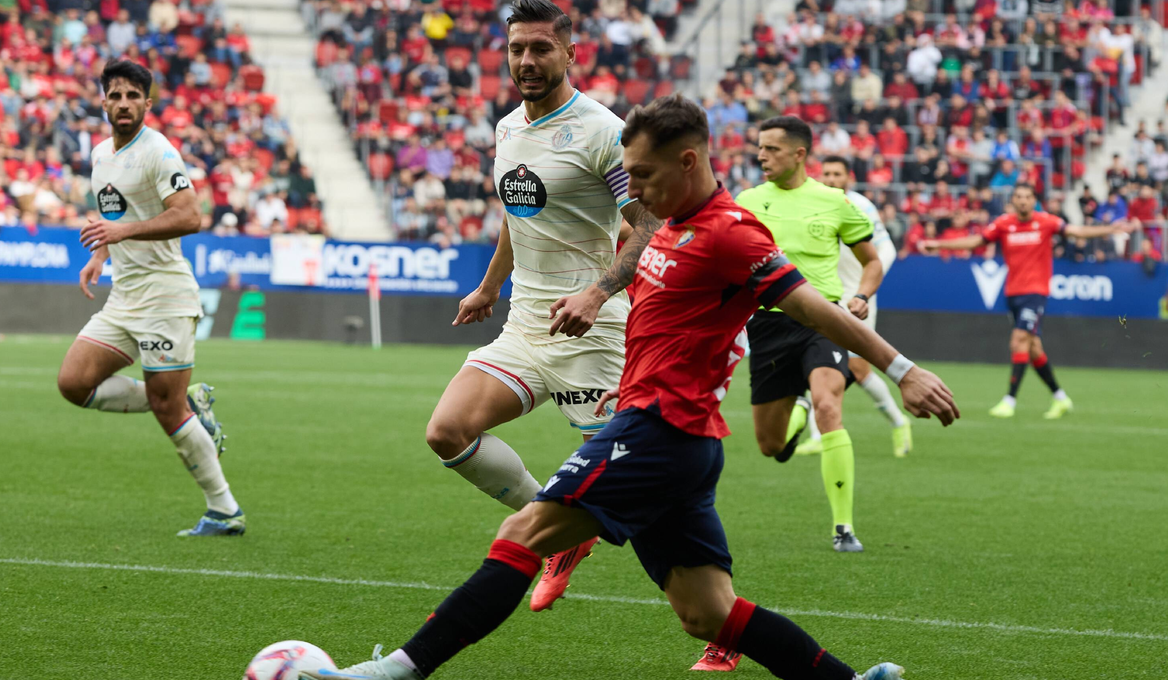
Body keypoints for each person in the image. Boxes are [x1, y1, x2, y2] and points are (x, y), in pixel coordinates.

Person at [304, 92, 958, 680]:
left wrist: (904, 371)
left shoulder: (731, 234)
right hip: (680, 441)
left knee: (522, 534)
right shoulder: (667, 226)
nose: (634, 191)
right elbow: (628, 264)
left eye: (643, 176)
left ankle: (394, 671)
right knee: (707, 613)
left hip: (659, 430)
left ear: (688, 162)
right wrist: (592, 301)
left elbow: (816, 309)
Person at [423, 0, 662, 613]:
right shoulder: (508, 128)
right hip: (526, 325)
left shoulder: (603, 132)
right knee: (447, 432)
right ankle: (557, 531)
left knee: (637, 491)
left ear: (570, 53)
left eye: (540, 48)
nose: (526, 61)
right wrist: (489, 286)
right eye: (517, 49)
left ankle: (722, 623)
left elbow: (650, 225)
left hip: (593, 333)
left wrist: (598, 292)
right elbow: (518, 211)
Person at [690, 118, 885, 672]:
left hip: (823, 318)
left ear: (800, 154)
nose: (762, 156)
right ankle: (797, 417)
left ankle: (844, 527)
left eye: (772, 149)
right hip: (769, 325)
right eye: (760, 148)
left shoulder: (837, 203)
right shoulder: (748, 201)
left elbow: (871, 260)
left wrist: (862, 296)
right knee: (770, 444)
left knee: (829, 404)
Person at [57, 60, 240, 537]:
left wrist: (123, 232)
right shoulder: (101, 154)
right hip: (125, 296)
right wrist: (101, 252)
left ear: (147, 103)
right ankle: (188, 402)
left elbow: (190, 216)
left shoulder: (159, 153)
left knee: (166, 410)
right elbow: (113, 214)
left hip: (165, 295)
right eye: (116, 96)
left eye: (133, 96)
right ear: (103, 102)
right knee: (74, 383)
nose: (124, 104)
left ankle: (224, 509)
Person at [918, 184, 1137, 419]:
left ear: (1034, 201)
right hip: (1013, 293)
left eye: (1027, 197)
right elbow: (976, 242)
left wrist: (1110, 228)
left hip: (1036, 292)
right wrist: (939, 244)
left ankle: (1009, 400)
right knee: (1033, 348)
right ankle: (1060, 398)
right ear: (1013, 201)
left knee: (1019, 340)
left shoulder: (1046, 221)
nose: (1023, 201)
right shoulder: (1004, 224)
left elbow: (1077, 231)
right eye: (1019, 197)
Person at [790, 157, 911, 458]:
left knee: (858, 369)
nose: (831, 178)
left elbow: (886, 249)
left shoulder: (860, 206)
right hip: (824, 295)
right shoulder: (814, 203)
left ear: (849, 177)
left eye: (837, 173)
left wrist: (866, 290)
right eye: (827, 173)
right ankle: (818, 434)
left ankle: (899, 422)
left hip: (857, 297)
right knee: (815, 363)